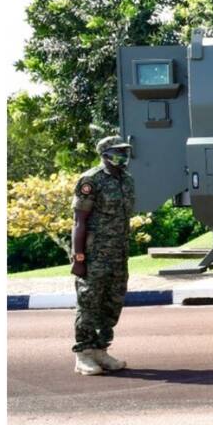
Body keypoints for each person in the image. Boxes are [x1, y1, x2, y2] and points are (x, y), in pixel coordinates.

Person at [71, 135, 136, 376]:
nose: (124, 156)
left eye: (125, 152)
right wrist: (78, 258)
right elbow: (79, 221)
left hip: (119, 253)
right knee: (90, 302)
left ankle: (100, 350)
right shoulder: (91, 180)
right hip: (94, 254)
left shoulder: (126, 180)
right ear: (105, 154)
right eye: (119, 152)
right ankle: (83, 354)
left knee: (112, 302)